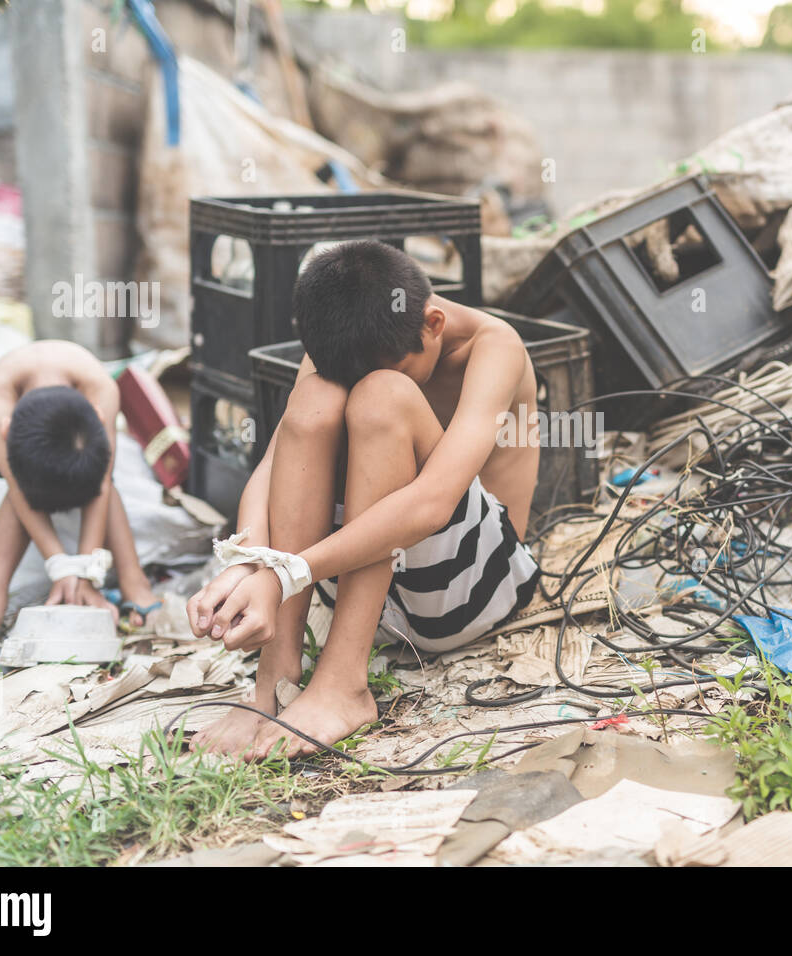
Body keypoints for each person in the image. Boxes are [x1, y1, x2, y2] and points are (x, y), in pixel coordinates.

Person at [188, 240, 541, 759]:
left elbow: (431, 504)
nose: (363, 382)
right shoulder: (347, 334)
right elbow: (273, 463)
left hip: (470, 591)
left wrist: (285, 573)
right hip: (369, 589)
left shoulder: (495, 347)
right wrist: (249, 562)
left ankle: (342, 683)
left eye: (399, 364)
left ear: (434, 324)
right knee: (313, 401)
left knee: (382, 397)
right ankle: (275, 681)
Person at [0, 340, 161, 644]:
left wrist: (86, 570)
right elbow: (16, 485)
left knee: (107, 485)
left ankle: (135, 583)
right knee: (15, 494)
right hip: (22, 481)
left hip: (80, 466)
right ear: (7, 431)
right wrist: (60, 564)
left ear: (99, 419)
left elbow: (101, 481)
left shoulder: (100, 387)